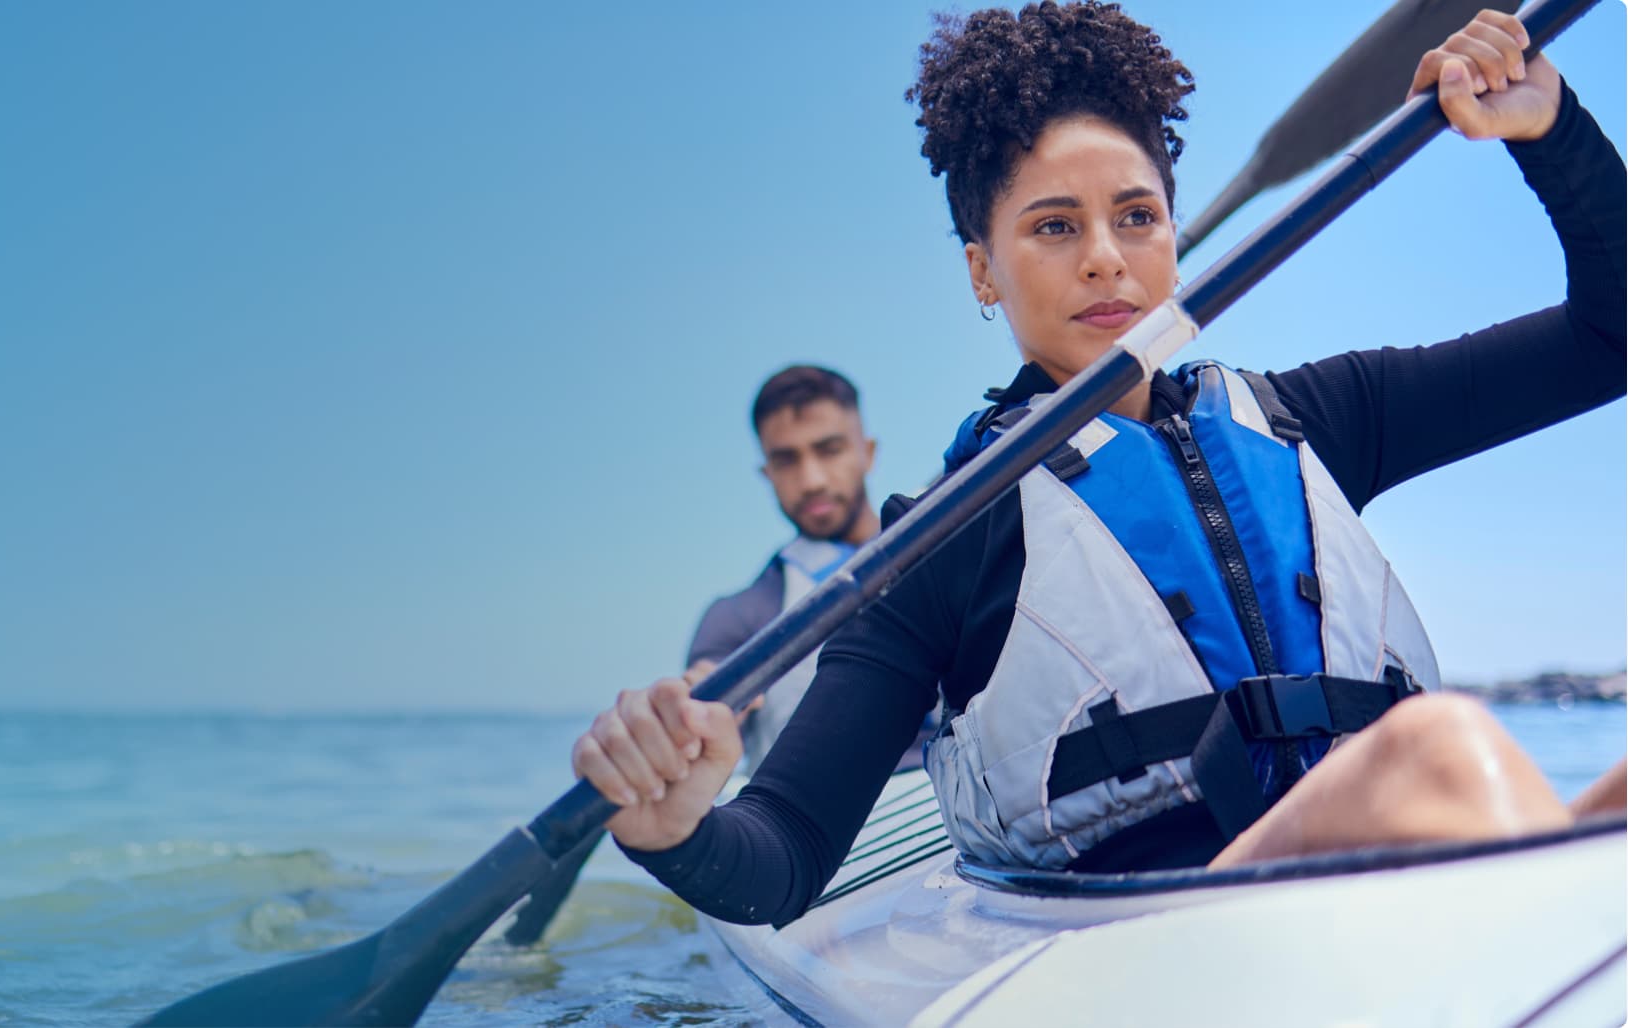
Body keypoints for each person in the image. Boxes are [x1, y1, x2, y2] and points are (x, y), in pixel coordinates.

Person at [571, 2, 1626, 927]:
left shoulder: (1319, 414)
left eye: (1135, 216)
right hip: (1156, 921)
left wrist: (1553, 130)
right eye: (1053, 226)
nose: (1105, 258)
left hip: (1389, 869)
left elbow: (1610, 336)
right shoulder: (939, 533)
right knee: (1436, 747)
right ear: (982, 270)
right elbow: (787, 855)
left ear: (1173, 232)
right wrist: (674, 829)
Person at [687, 365, 917, 773]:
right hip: (841, 832)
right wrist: (695, 713)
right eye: (787, 460)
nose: (811, 480)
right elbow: (701, 737)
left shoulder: (944, 550)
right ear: (767, 474)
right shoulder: (738, 617)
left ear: (868, 453)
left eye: (829, 450)